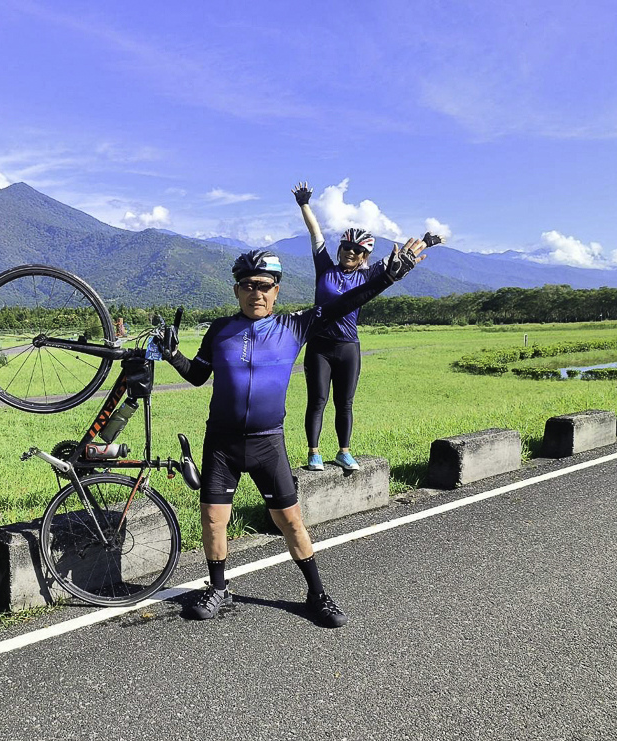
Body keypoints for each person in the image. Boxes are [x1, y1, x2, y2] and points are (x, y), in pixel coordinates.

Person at [158, 239, 429, 627]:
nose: (256, 292)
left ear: (276, 291)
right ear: (237, 290)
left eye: (264, 285)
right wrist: (173, 356)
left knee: (291, 522)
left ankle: (317, 593)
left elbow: (346, 302)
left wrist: (387, 275)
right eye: (248, 285)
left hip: (268, 442)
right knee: (213, 521)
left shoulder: (294, 324)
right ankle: (218, 587)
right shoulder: (219, 330)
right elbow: (198, 376)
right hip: (222, 443)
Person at [293, 181, 438, 472]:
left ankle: (344, 451)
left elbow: (399, 261)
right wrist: (304, 204)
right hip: (319, 346)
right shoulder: (325, 267)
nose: (350, 252)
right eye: (346, 247)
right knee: (317, 401)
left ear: (364, 256)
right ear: (340, 248)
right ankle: (314, 453)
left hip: (348, 346)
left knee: (344, 403)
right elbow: (315, 233)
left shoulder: (368, 274)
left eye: (357, 250)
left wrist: (426, 242)